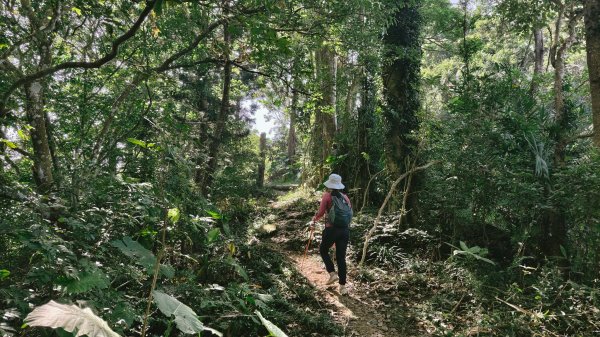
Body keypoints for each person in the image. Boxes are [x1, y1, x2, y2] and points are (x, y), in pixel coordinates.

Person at [311, 173, 352, 295]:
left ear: (330, 184)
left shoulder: (327, 196)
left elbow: (321, 213)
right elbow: (349, 214)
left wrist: (313, 220)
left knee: (323, 250)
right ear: (339, 185)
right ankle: (343, 287)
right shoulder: (345, 197)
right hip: (344, 230)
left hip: (332, 229)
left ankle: (332, 273)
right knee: (341, 258)